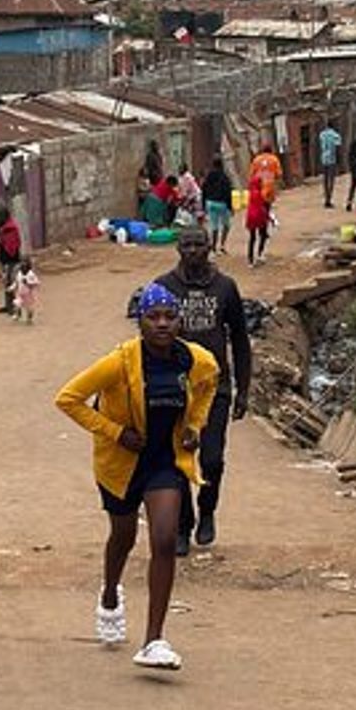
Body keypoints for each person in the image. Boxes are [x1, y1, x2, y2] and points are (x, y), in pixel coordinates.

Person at [55, 283, 218, 671]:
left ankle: (154, 640)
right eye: (153, 317)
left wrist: (195, 425)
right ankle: (110, 591)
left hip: (165, 462)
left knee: (163, 539)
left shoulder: (194, 360)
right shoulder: (120, 363)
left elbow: (210, 384)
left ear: (180, 321)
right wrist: (115, 432)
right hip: (122, 465)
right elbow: (68, 398)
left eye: (169, 317)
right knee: (124, 535)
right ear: (140, 323)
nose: (162, 324)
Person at [152, 226, 252, 554]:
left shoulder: (225, 287)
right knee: (180, 461)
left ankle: (207, 510)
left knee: (212, 460)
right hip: (174, 390)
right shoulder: (165, 287)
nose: (193, 251)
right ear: (178, 249)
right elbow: (148, 336)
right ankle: (183, 525)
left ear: (210, 247)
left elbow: (239, 339)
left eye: (199, 245)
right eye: (187, 245)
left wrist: (243, 389)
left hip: (216, 389)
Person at [201, 157, 235, 254]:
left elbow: (204, 190)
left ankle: (214, 247)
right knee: (226, 225)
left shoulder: (208, 176)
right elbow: (228, 192)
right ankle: (222, 245)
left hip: (210, 203)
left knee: (214, 226)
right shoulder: (224, 177)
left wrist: (203, 205)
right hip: (222, 204)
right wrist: (230, 206)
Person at [0, 206, 23, 315]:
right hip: (5, 259)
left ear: (4, 216)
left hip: (12, 259)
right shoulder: (3, 227)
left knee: (12, 283)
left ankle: (15, 306)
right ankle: (8, 305)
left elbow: (11, 246)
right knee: (7, 282)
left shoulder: (11, 228)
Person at [245, 177, 272, 267]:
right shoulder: (259, 194)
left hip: (251, 217)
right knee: (263, 235)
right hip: (259, 217)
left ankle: (250, 259)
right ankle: (260, 254)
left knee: (252, 238)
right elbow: (262, 207)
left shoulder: (251, 193)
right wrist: (269, 218)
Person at [317, 122, 344, 209]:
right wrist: (340, 161)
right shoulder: (336, 136)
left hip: (323, 159)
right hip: (332, 159)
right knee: (331, 180)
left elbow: (320, 146)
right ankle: (328, 200)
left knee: (325, 180)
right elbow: (337, 149)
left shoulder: (322, 135)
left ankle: (326, 198)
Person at [13, 259, 41, 324]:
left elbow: (37, 282)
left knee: (29, 308)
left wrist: (28, 282)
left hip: (29, 294)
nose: (23, 268)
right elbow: (17, 282)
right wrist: (12, 287)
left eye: (25, 267)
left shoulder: (31, 274)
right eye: (22, 267)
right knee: (17, 304)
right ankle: (17, 315)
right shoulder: (19, 274)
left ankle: (29, 319)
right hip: (20, 293)